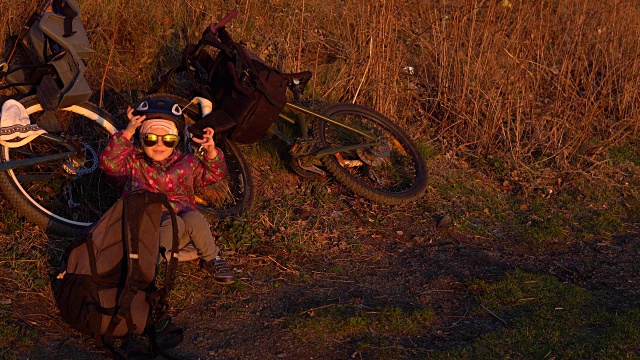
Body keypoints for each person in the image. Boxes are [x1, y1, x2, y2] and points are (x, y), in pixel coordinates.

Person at [99, 97, 235, 284]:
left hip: (179, 232)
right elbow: (109, 164)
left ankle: (212, 258)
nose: (159, 145)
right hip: (145, 229)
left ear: (176, 141)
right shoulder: (133, 162)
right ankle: (149, 259)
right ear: (141, 139)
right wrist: (128, 133)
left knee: (193, 218)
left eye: (168, 140)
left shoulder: (186, 162)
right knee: (175, 224)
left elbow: (214, 175)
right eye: (151, 139)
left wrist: (211, 152)